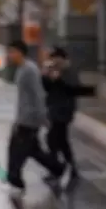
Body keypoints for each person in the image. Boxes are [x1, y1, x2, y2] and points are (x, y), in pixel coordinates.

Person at [4, 40, 64, 197]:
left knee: (17, 150)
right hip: (23, 118)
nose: (10, 55)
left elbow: (38, 95)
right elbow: (23, 98)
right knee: (32, 150)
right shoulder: (21, 69)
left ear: (20, 52)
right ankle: (58, 168)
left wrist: (43, 117)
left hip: (29, 119)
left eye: (12, 52)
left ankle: (15, 178)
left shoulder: (30, 70)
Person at [41, 47, 86, 181]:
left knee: (52, 139)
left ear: (62, 59)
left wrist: (60, 78)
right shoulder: (53, 71)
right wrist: (45, 75)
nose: (54, 62)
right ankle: (71, 168)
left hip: (64, 111)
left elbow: (75, 88)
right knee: (61, 141)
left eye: (56, 59)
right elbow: (46, 87)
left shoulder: (70, 71)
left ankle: (56, 170)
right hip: (54, 110)